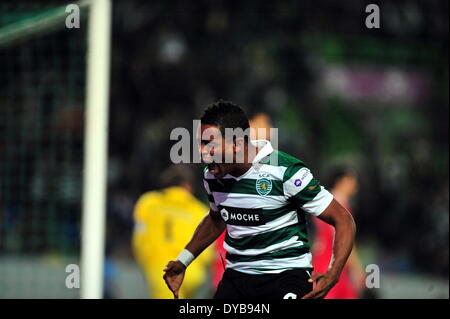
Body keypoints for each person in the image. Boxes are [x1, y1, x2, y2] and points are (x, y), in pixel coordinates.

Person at [163, 100, 356, 299]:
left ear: (237, 143)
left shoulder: (285, 171)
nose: (203, 152)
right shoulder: (213, 176)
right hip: (236, 279)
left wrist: (333, 274)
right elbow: (216, 218)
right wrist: (183, 260)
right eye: (200, 144)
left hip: (285, 277)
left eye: (210, 145)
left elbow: (343, 219)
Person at [132, 164, 214, 298]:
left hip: (160, 269)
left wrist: (144, 263)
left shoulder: (148, 202)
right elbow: (208, 250)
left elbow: (139, 240)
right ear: (187, 187)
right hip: (192, 271)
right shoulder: (198, 209)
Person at [312, 167, 366, 298]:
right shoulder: (339, 207)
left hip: (323, 264)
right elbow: (343, 241)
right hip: (331, 267)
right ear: (341, 181)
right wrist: (358, 270)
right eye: (351, 179)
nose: (355, 183)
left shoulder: (324, 201)